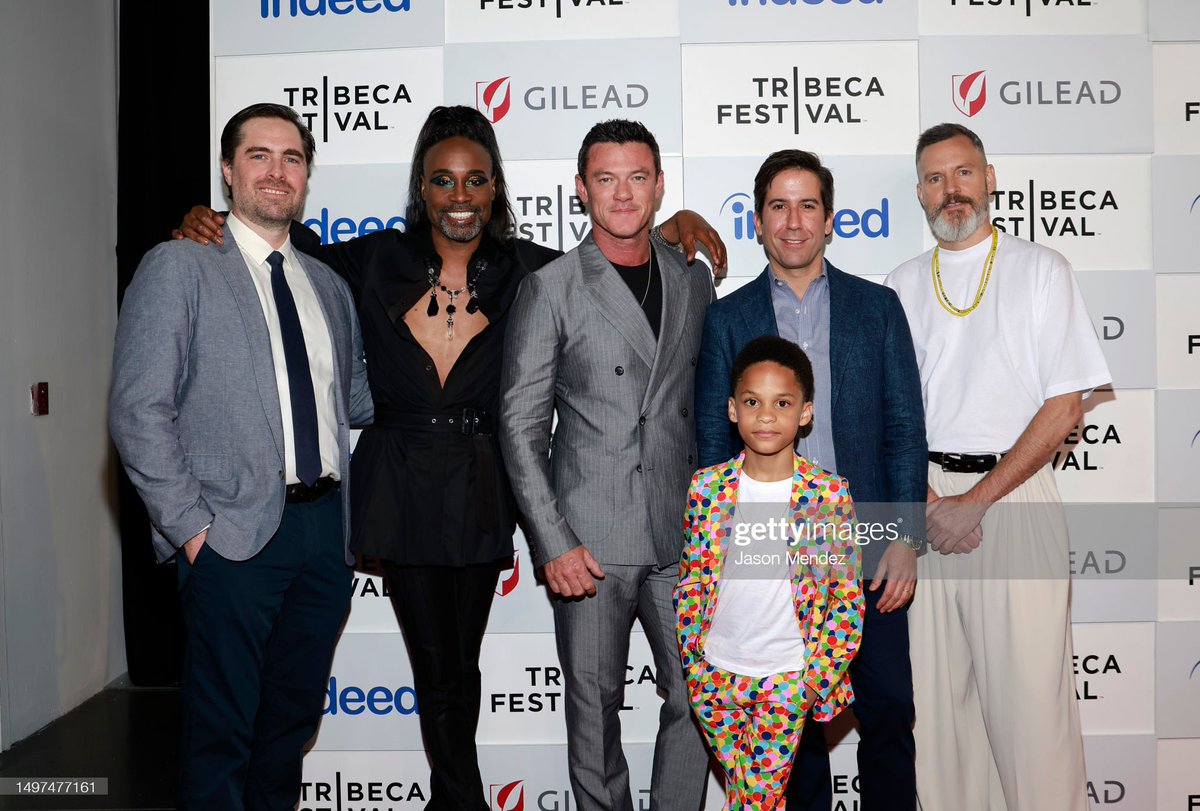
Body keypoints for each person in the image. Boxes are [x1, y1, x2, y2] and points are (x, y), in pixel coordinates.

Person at [175, 106, 726, 810]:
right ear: (422, 188)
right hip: (398, 485)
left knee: (456, 665)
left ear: (495, 188)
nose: (459, 196)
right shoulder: (375, 258)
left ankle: (454, 796)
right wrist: (208, 216)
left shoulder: (526, 266)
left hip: (478, 488)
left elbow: (610, 261)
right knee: (436, 666)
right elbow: (283, 240)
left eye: (474, 180)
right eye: (443, 180)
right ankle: (459, 798)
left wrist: (670, 227)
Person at [110, 102, 373, 810]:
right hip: (231, 537)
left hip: (324, 540)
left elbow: (354, 402)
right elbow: (138, 411)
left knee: (287, 730)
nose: (276, 170)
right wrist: (193, 529)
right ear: (228, 171)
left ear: (308, 174)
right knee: (220, 737)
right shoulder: (178, 266)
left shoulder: (329, 287)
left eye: (291, 157)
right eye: (258, 155)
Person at [885, 122, 1110, 811]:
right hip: (921, 506)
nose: (950, 190)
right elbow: (890, 414)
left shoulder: (1042, 269)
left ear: (989, 178)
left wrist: (977, 499)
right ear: (919, 191)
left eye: (962, 173)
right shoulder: (897, 285)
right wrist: (925, 498)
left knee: (1032, 718)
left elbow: (1065, 403)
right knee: (939, 727)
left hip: (1012, 498)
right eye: (934, 177)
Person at [694, 149, 927, 810]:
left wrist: (905, 538)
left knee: (887, 711)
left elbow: (904, 428)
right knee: (791, 734)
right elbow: (714, 442)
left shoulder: (877, 308)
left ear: (829, 220)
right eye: (777, 206)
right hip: (771, 556)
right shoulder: (726, 317)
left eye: (807, 205)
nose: (792, 221)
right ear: (758, 220)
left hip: (869, 547)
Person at [499, 119, 715, 811]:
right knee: (594, 709)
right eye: (606, 178)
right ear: (580, 189)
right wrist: (552, 540)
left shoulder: (690, 275)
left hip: (679, 533)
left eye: (637, 176)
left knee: (699, 696)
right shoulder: (552, 287)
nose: (623, 193)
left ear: (659, 184)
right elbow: (520, 423)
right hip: (590, 539)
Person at [676, 336, 863, 810]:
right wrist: (695, 661)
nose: (765, 415)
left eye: (782, 403)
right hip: (715, 675)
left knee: (754, 800)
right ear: (733, 409)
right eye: (752, 402)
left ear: (805, 413)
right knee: (753, 798)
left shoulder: (826, 494)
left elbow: (843, 600)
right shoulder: (707, 487)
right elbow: (694, 577)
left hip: (786, 679)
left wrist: (812, 681)